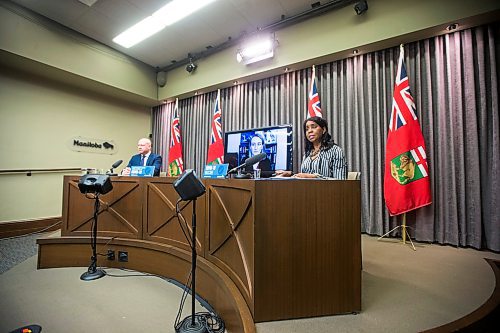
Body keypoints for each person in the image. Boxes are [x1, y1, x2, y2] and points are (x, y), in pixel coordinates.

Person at [275, 117, 347, 179]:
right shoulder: (308, 153)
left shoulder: (335, 151)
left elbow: (341, 180)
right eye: (307, 129)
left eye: (314, 127)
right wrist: (292, 174)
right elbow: (305, 176)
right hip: (307, 192)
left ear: (323, 130)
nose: (310, 131)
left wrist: (315, 177)